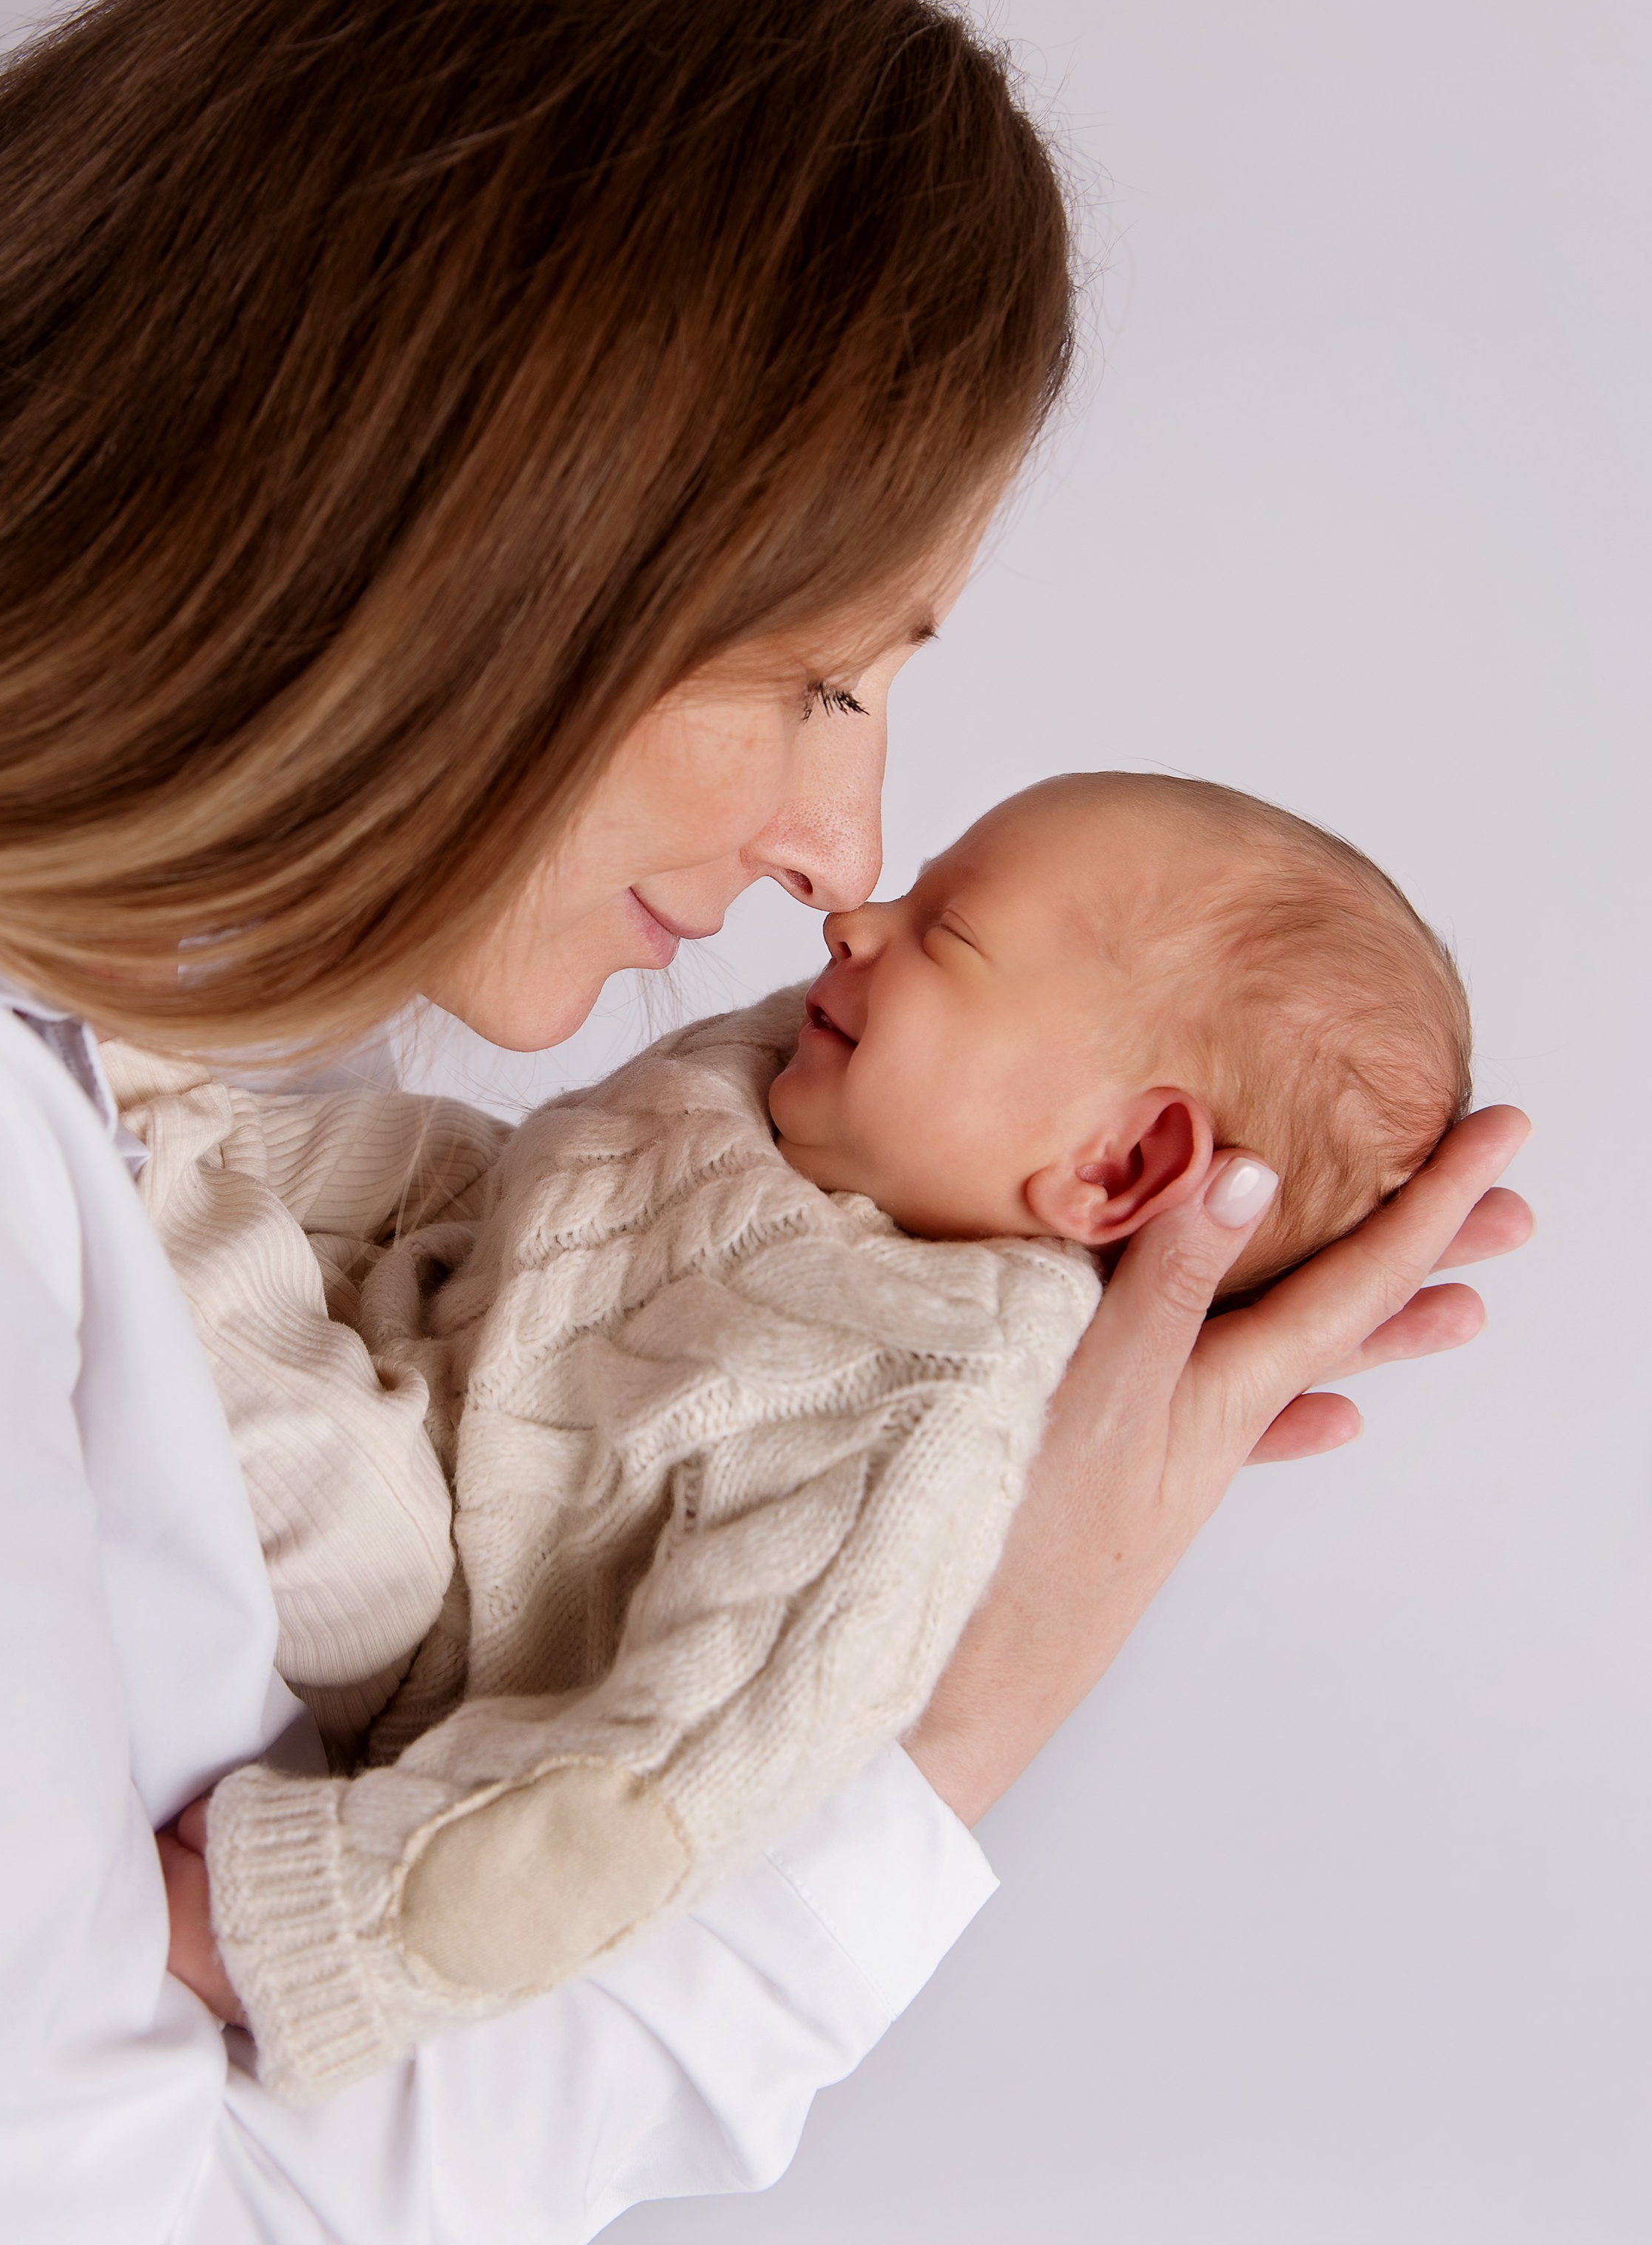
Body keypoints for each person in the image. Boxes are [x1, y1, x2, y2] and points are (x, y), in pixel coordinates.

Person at [0, 0, 1530, 2245]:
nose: (841, 846)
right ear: (471, 532)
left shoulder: (22, 1066)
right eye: (818, 674)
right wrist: (967, 1700)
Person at [112, 768, 1476, 2101]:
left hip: (433, 1603)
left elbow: (667, 1782)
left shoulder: (923, 1414)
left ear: (1118, 1167)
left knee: (335, 1486)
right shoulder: (814, 1085)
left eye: (948, 931)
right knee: (411, 1155)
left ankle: (116, 1180)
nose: (857, 916)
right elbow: (528, 1180)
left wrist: (301, 1929)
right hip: (452, 1290)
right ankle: (137, 1121)